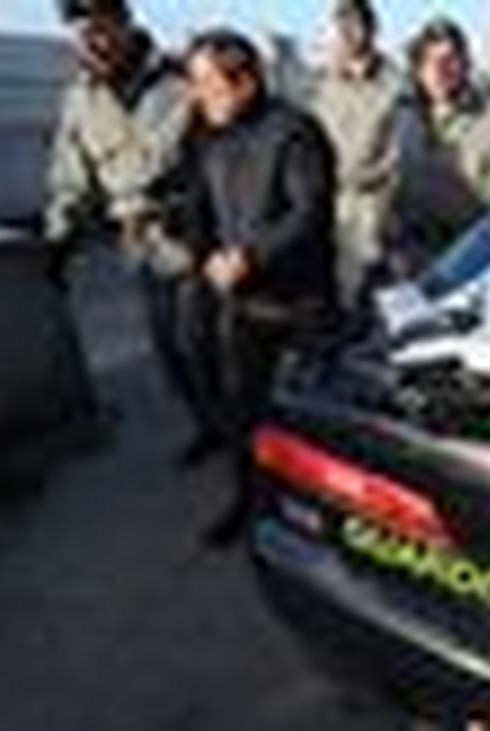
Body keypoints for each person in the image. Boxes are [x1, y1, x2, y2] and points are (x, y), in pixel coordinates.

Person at [178, 29, 338, 546]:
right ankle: (249, 503)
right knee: (243, 415)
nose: (198, 95)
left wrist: (250, 255)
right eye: (194, 83)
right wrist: (203, 256)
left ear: (244, 81)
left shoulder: (295, 131)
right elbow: (200, 207)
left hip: (301, 304)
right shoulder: (209, 133)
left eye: (208, 83)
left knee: (311, 420)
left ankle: (320, 516)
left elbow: (309, 212)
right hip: (243, 307)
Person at [46, 0, 211, 462]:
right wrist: (60, 238)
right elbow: (71, 177)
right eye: (82, 33)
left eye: (100, 29)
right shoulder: (79, 100)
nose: (91, 42)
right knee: (170, 351)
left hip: (201, 234)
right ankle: (211, 424)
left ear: (124, 23)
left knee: (207, 343)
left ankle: (248, 436)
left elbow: (231, 149)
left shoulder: (181, 79)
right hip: (142, 243)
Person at [392, 17, 490, 277]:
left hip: (467, 262)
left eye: (450, 59)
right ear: (418, 68)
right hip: (405, 258)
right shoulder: (402, 115)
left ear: (465, 65)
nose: (439, 70)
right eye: (430, 61)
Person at [309, 0, 402, 309]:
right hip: (327, 207)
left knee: (368, 298)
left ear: (372, 31)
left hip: (374, 209)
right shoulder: (321, 84)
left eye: (355, 25)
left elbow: (400, 156)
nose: (348, 34)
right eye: (341, 27)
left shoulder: (395, 86)